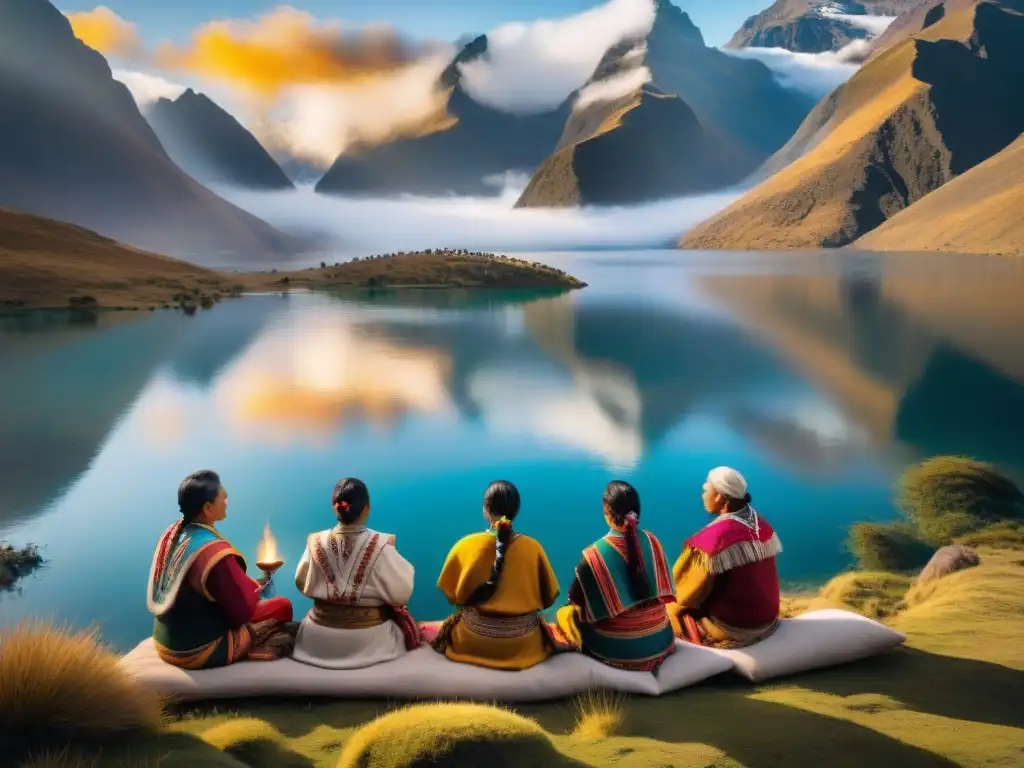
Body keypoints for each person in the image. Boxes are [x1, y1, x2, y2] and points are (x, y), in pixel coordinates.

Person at [147, 470, 295, 669]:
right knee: (282, 606)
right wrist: (253, 591)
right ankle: (254, 650)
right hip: (197, 649)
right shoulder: (211, 551)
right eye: (222, 498)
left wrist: (247, 585)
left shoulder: (172, 535)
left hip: (165, 641)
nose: (226, 501)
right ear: (208, 508)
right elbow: (241, 614)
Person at [431, 480, 564, 670]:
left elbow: (451, 597)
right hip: (523, 645)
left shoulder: (466, 545)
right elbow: (550, 598)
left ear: (486, 507)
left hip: (472, 641)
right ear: (516, 511)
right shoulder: (533, 548)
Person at [292, 477, 422, 669]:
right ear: (366, 508)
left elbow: (300, 581)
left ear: (334, 507)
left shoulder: (315, 542)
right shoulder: (382, 545)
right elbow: (402, 592)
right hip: (369, 641)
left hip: (317, 639)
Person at [555, 480, 677, 671]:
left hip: (618, 651)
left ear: (609, 515)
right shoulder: (653, 540)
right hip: (660, 641)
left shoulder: (594, 554)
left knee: (565, 613)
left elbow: (576, 601)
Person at [667, 466, 782, 648]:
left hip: (735, 627)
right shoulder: (761, 525)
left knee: (667, 610)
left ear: (719, 497)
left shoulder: (713, 540)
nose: (703, 495)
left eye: (706, 490)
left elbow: (683, 595)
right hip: (767, 619)